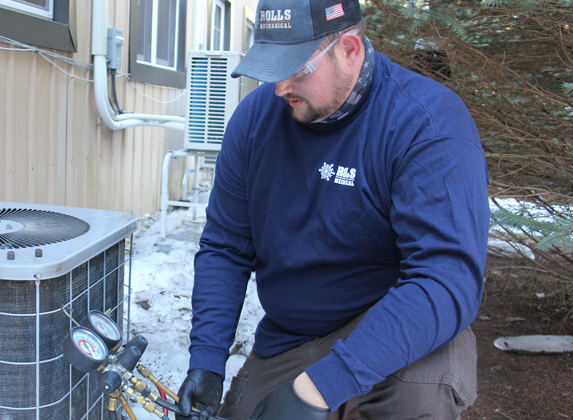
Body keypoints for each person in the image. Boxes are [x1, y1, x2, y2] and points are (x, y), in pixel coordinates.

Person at [175, 0, 490, 419]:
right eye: (271, 68)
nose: (280, 88)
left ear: (350, 50)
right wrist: (208, 359)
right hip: (292, 336)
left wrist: (321, 387)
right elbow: (226, 247)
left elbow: (445, 279)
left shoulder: (426, 124)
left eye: (296, 69)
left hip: (392, 331)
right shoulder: (254, 121)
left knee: (417, 398)